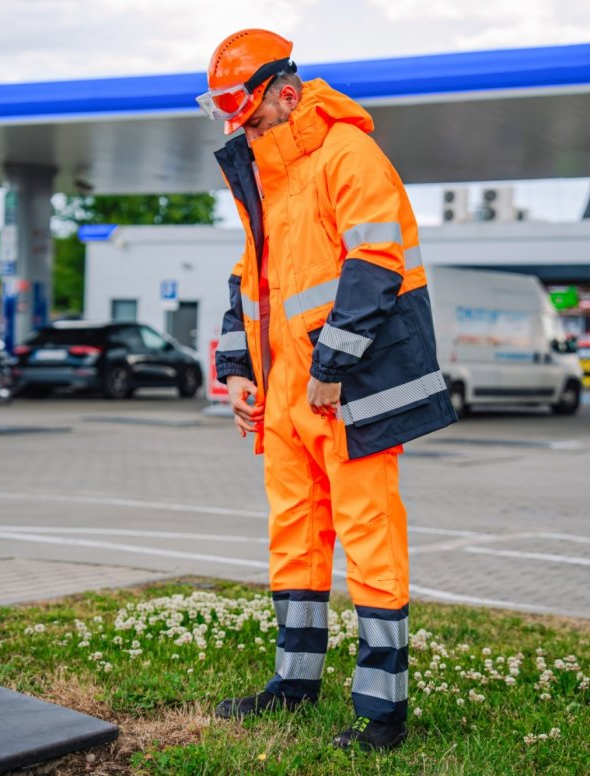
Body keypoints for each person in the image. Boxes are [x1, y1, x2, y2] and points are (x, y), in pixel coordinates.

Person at [197, 29, 457, 751]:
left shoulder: (348, 155)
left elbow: (377, 265)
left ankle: (383, 712)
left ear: (285, 92)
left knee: (370, 537)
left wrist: (328, 371)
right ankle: (293, 684)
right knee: (296, 538)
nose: (237, 128)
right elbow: (253, 283)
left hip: (344, 392)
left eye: (245, 112)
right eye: (228, 114)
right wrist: (240, 371)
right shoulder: (268, 175)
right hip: (287, 396)